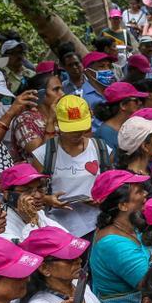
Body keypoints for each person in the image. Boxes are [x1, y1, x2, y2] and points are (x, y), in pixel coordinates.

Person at [32, 95, 110, 240]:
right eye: (71, 129)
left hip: (97, 226)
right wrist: (47, 199)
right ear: (57, 124)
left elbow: (112, 185)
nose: (76, 133)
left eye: (80, 128)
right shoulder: (43, 155)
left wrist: (104, 198)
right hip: (57, 229)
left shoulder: (101, 149)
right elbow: (29, 194)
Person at [89, 170, 152, 303]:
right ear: (123, 205)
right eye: (139, 191)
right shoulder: (113, 244)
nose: (145, 193)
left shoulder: (128, 226)